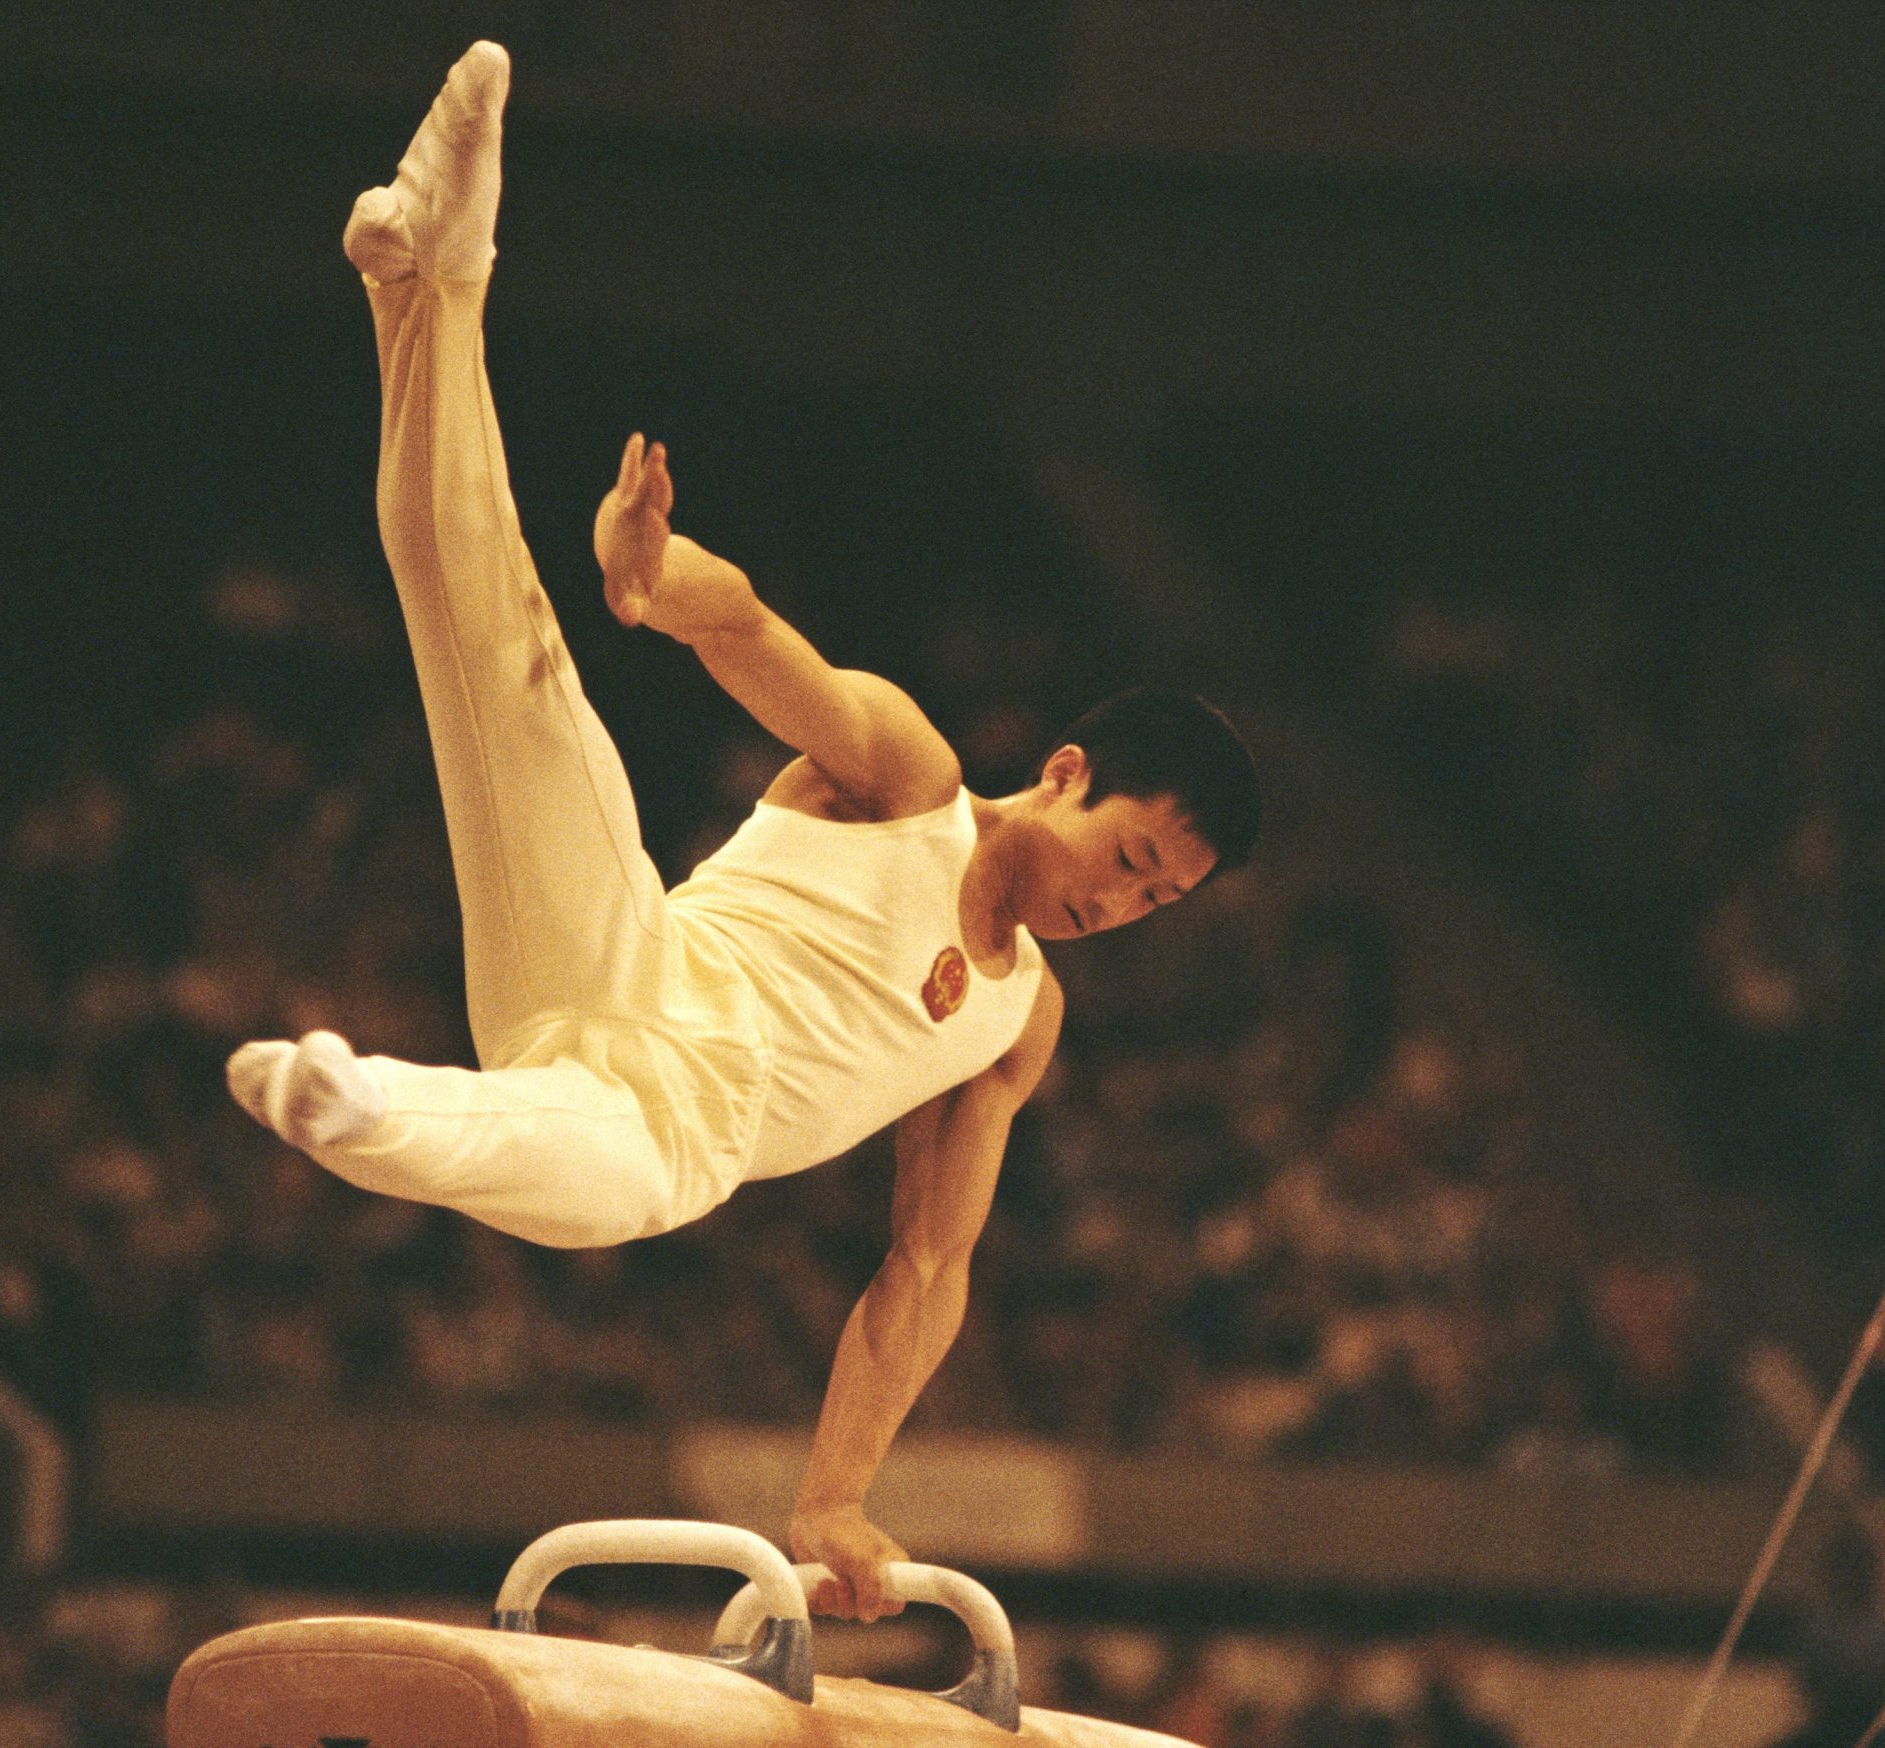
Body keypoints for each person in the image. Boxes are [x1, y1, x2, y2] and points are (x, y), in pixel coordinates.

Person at [225, 41, 1259, 1621]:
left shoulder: (1015, 1029)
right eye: (1133, 858)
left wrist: (836, 1497)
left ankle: (348, 1105)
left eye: (1163, 901)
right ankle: (435, 273)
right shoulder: (909, 776)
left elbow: (924, 1272)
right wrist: (653, 585)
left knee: (575, 1181)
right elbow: (763, 638)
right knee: (500, 648)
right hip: (623, 951)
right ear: (1064, 773)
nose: (1131, 905)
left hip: (674, 1137)